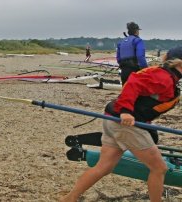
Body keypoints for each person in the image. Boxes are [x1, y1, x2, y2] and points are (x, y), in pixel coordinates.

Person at [61, 46, 182, 202]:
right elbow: (133, 82)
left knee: (104, 166)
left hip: (114, 120)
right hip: (125, 124)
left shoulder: (166, 76)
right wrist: (125, 111)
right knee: (159, 168)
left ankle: (69, 198)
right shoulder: (163, 78)